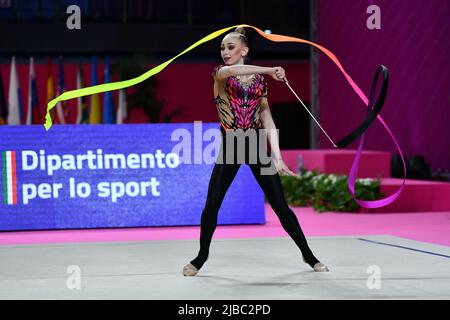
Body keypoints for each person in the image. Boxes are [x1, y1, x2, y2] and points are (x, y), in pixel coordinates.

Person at [183, 27, 329, 276]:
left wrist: (279, 156)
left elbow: (267, 117)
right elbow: (235, 71)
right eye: (222, 48)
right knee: (212, 206)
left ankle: (308, 254)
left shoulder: (260, 83)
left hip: (254, 145)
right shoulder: (220, 74)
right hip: (232, 146)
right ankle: (201, 256)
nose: (225, 52)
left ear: (245, 50)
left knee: (281, 206)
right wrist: (270, 70)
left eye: (230, 47)